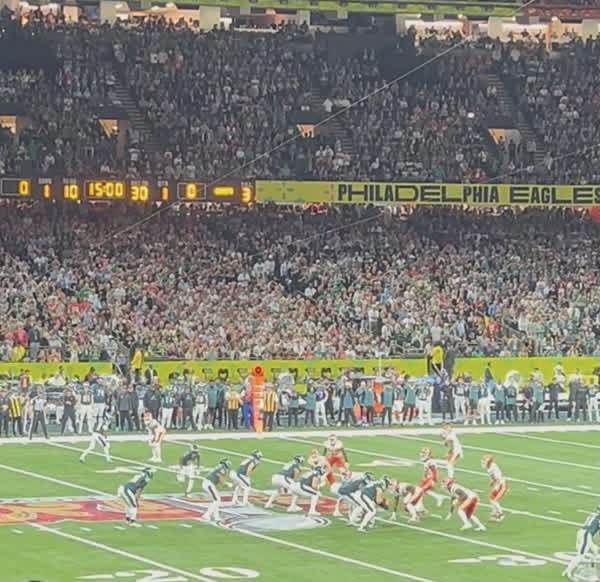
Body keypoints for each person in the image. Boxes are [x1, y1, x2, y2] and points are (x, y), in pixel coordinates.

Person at [563, 505, 600, 579]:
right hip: (586, 534)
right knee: (581, 555)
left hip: (581, 532)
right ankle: (568, 572)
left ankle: (592, 570)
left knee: (595, 551)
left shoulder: (591, 515)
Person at [482, 455, 508, 521]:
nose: (483, 462)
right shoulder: (490, 467)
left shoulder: (492, 468)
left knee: (494, 500)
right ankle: (494, 513)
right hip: (499, 484)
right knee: (491, 498)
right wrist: (492, 481)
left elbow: (498, 478)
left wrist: (495, 485)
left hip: (501, 485)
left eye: (484, 461)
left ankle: (500, 514)